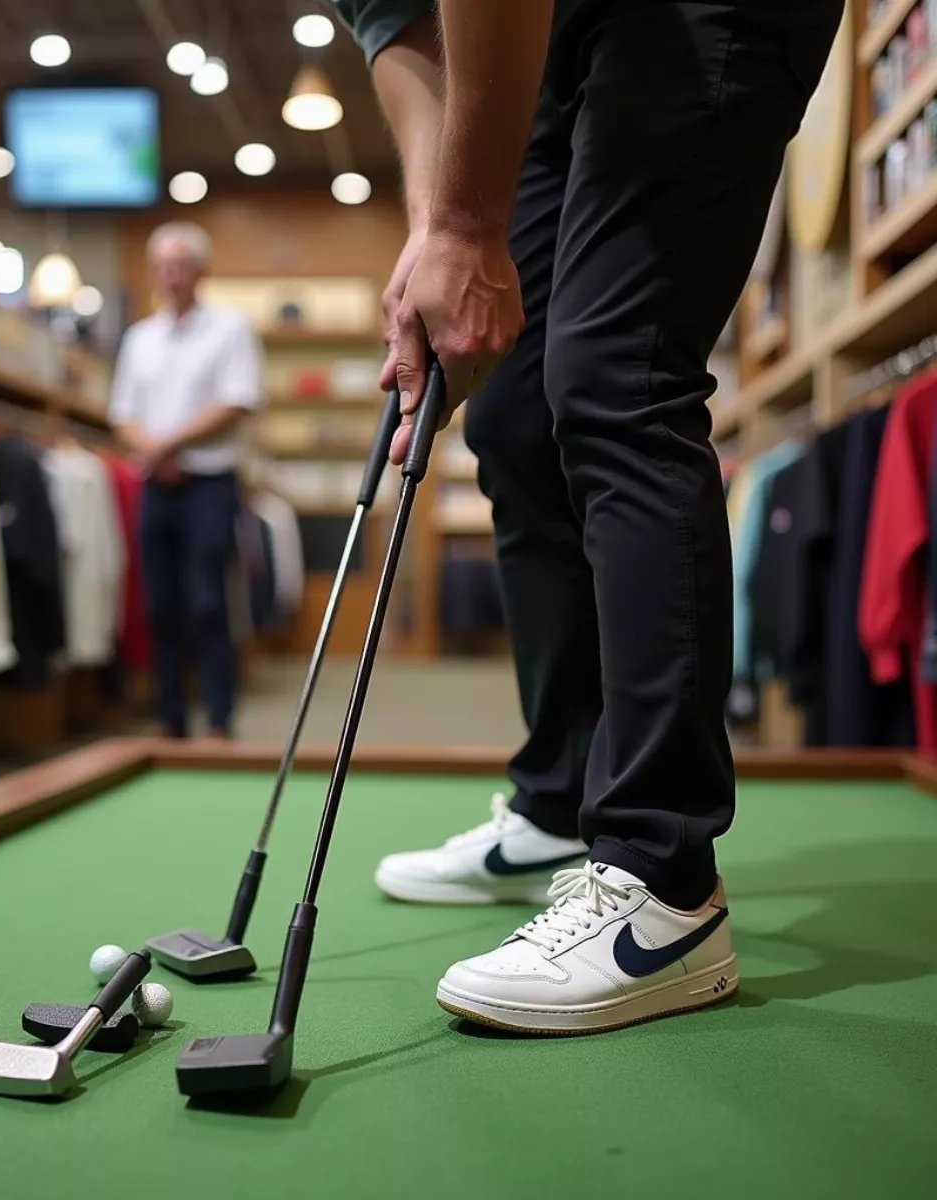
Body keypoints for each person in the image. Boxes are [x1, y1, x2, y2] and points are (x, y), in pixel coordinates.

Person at [334, 0, 843, 1033]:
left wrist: (470, 227)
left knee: (622, 372)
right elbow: (409, 36)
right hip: (566, 32)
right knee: (516, 407)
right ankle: (562, 803)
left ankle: (665, 882)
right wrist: (441, 226)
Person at [110, 222, 263, 740]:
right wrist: (151, 449)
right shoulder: (140, 338)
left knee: (206, 600)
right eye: (163, 266)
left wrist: (169, 443)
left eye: (181, 265)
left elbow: (237, 401)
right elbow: (123, 413)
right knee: (159, 603)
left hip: (210, 484)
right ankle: (169, 716)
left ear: (201, 271)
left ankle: (219, 718)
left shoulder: (230, 329)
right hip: (157, 485)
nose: (171, 276)